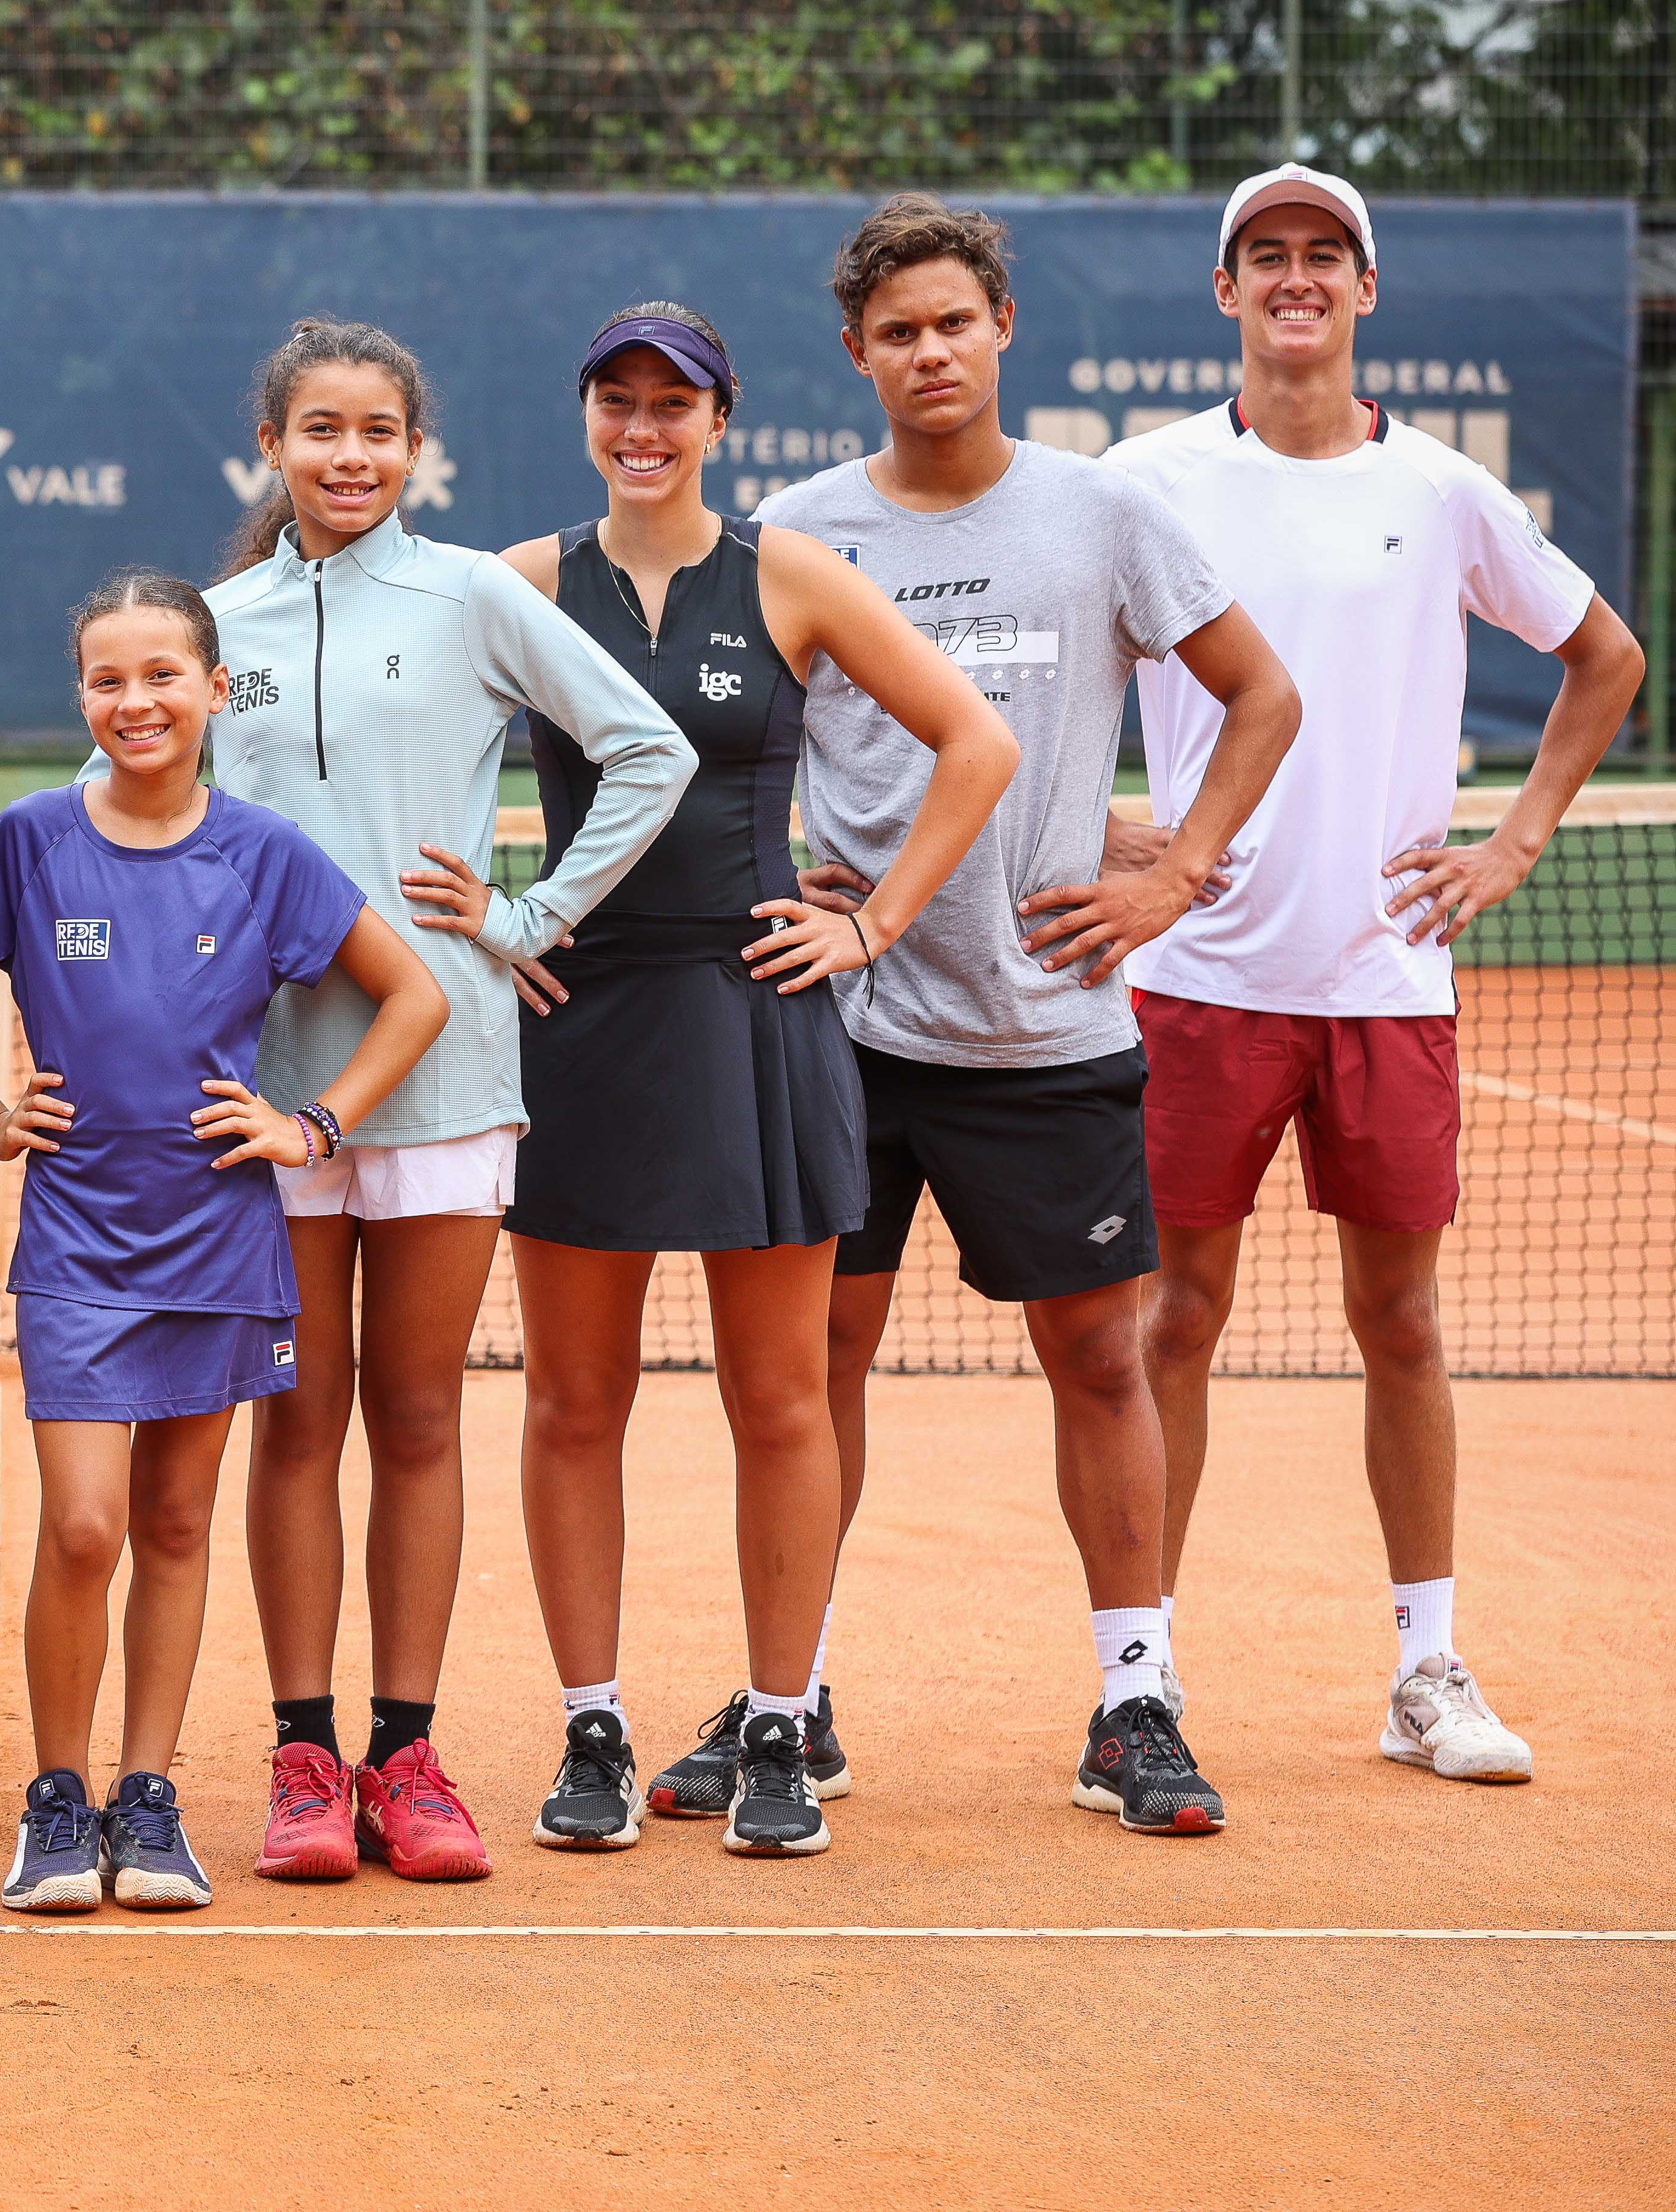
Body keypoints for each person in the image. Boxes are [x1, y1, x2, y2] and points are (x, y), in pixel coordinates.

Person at [755, 196, 1301, 1837]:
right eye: (897, 330)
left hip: (1050, 1028)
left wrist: (1177, 869)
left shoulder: (1105, 514)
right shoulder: (796, 533)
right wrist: (809, 888)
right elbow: (736, 751)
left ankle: (1135, 1699)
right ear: (856, 355)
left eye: (954, 321)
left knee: (1099, 1359)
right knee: (815, 1364)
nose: (930, 351)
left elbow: (1264, 697)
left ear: (1005, 331)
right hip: (845, 1029)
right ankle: (800, 1701)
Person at [1105, 166, 1642, 1786]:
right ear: (1224, 293)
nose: (1295, 278)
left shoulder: (1447, 493)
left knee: (1401, 1323)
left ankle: (1426, 1671)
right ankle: (1142, 1674)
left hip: (1391, 984)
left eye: (1323, 255)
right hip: (1199, 977)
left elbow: (1605, 656)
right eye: (1264, 255)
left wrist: (1517, 841)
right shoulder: (1149, 484)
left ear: (1365, 288)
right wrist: (1112, 827)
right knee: (1172, 1321)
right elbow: (1063, 670)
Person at [140, 318, 691, 1887]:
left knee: (424, 1417)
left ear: (417, 448)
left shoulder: (475, 599)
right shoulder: (213, 622)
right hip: (266, 1090)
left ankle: (408, 1753)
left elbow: (646, 751)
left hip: (448, 1077)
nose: (353, 457)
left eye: (380, 431)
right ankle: (304, 1756)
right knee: (299, 1421)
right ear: (273, 446)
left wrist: (524, 917)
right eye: (322, 430)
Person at [489, 302, 1016, 1859]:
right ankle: (594, 1726)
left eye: (675, 402)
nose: (644, 426)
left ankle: (781, 1727)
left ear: (721, 419)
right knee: (573, 1403)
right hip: (580, 1017)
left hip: (755, 1008)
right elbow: (413, 766)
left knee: (781, 1399)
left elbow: (972, 743)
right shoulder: (522, 585)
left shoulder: (788, 572)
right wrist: (491, 937)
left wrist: (873, 924)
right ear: (586, 414)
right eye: (618, 400)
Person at [0, 570, 448, 1915]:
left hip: (221, 1240)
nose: (137, 702)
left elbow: (412, 994)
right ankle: (57, 1799)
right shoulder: (25, 839)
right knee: (83, 1525)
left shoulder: (262, 854)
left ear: (214, 691)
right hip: (76, 1241)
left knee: (177, 1523)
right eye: (109, 680)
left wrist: (314, 1126)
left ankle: (148, 1793)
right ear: (83, 698)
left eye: (164, 676)